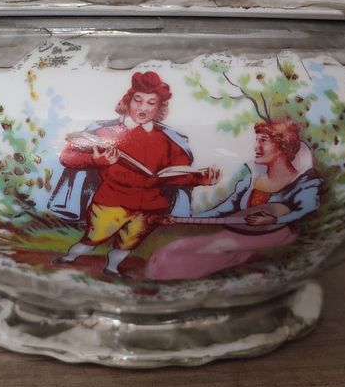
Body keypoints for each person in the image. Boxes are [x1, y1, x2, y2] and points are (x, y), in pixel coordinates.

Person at [50, 71, 220, 276]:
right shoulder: (105, 133)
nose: (143, 108)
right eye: (138, 100)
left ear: (159, 108)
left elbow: (175, 175)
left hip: (150, 206)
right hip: (111, 202)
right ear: (127, 101)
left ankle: (112, 268)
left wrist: (200, 179)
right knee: (94, 237)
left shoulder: (169, 141)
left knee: (129, 243)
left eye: (151, 103)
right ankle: (70, 257)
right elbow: (67, 157)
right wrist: (98, 160)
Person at [144, 119, 323, 281]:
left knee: (212, 249)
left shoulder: (304, 181)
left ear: (283, 145)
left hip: (277, 234)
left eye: (263, 140)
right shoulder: (252, 178)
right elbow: (226, 209)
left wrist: (274, 219)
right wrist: (181, 219)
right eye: (256, 140)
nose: (256, 146)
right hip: (239, 233)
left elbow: (307, 208)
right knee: (176, 248)